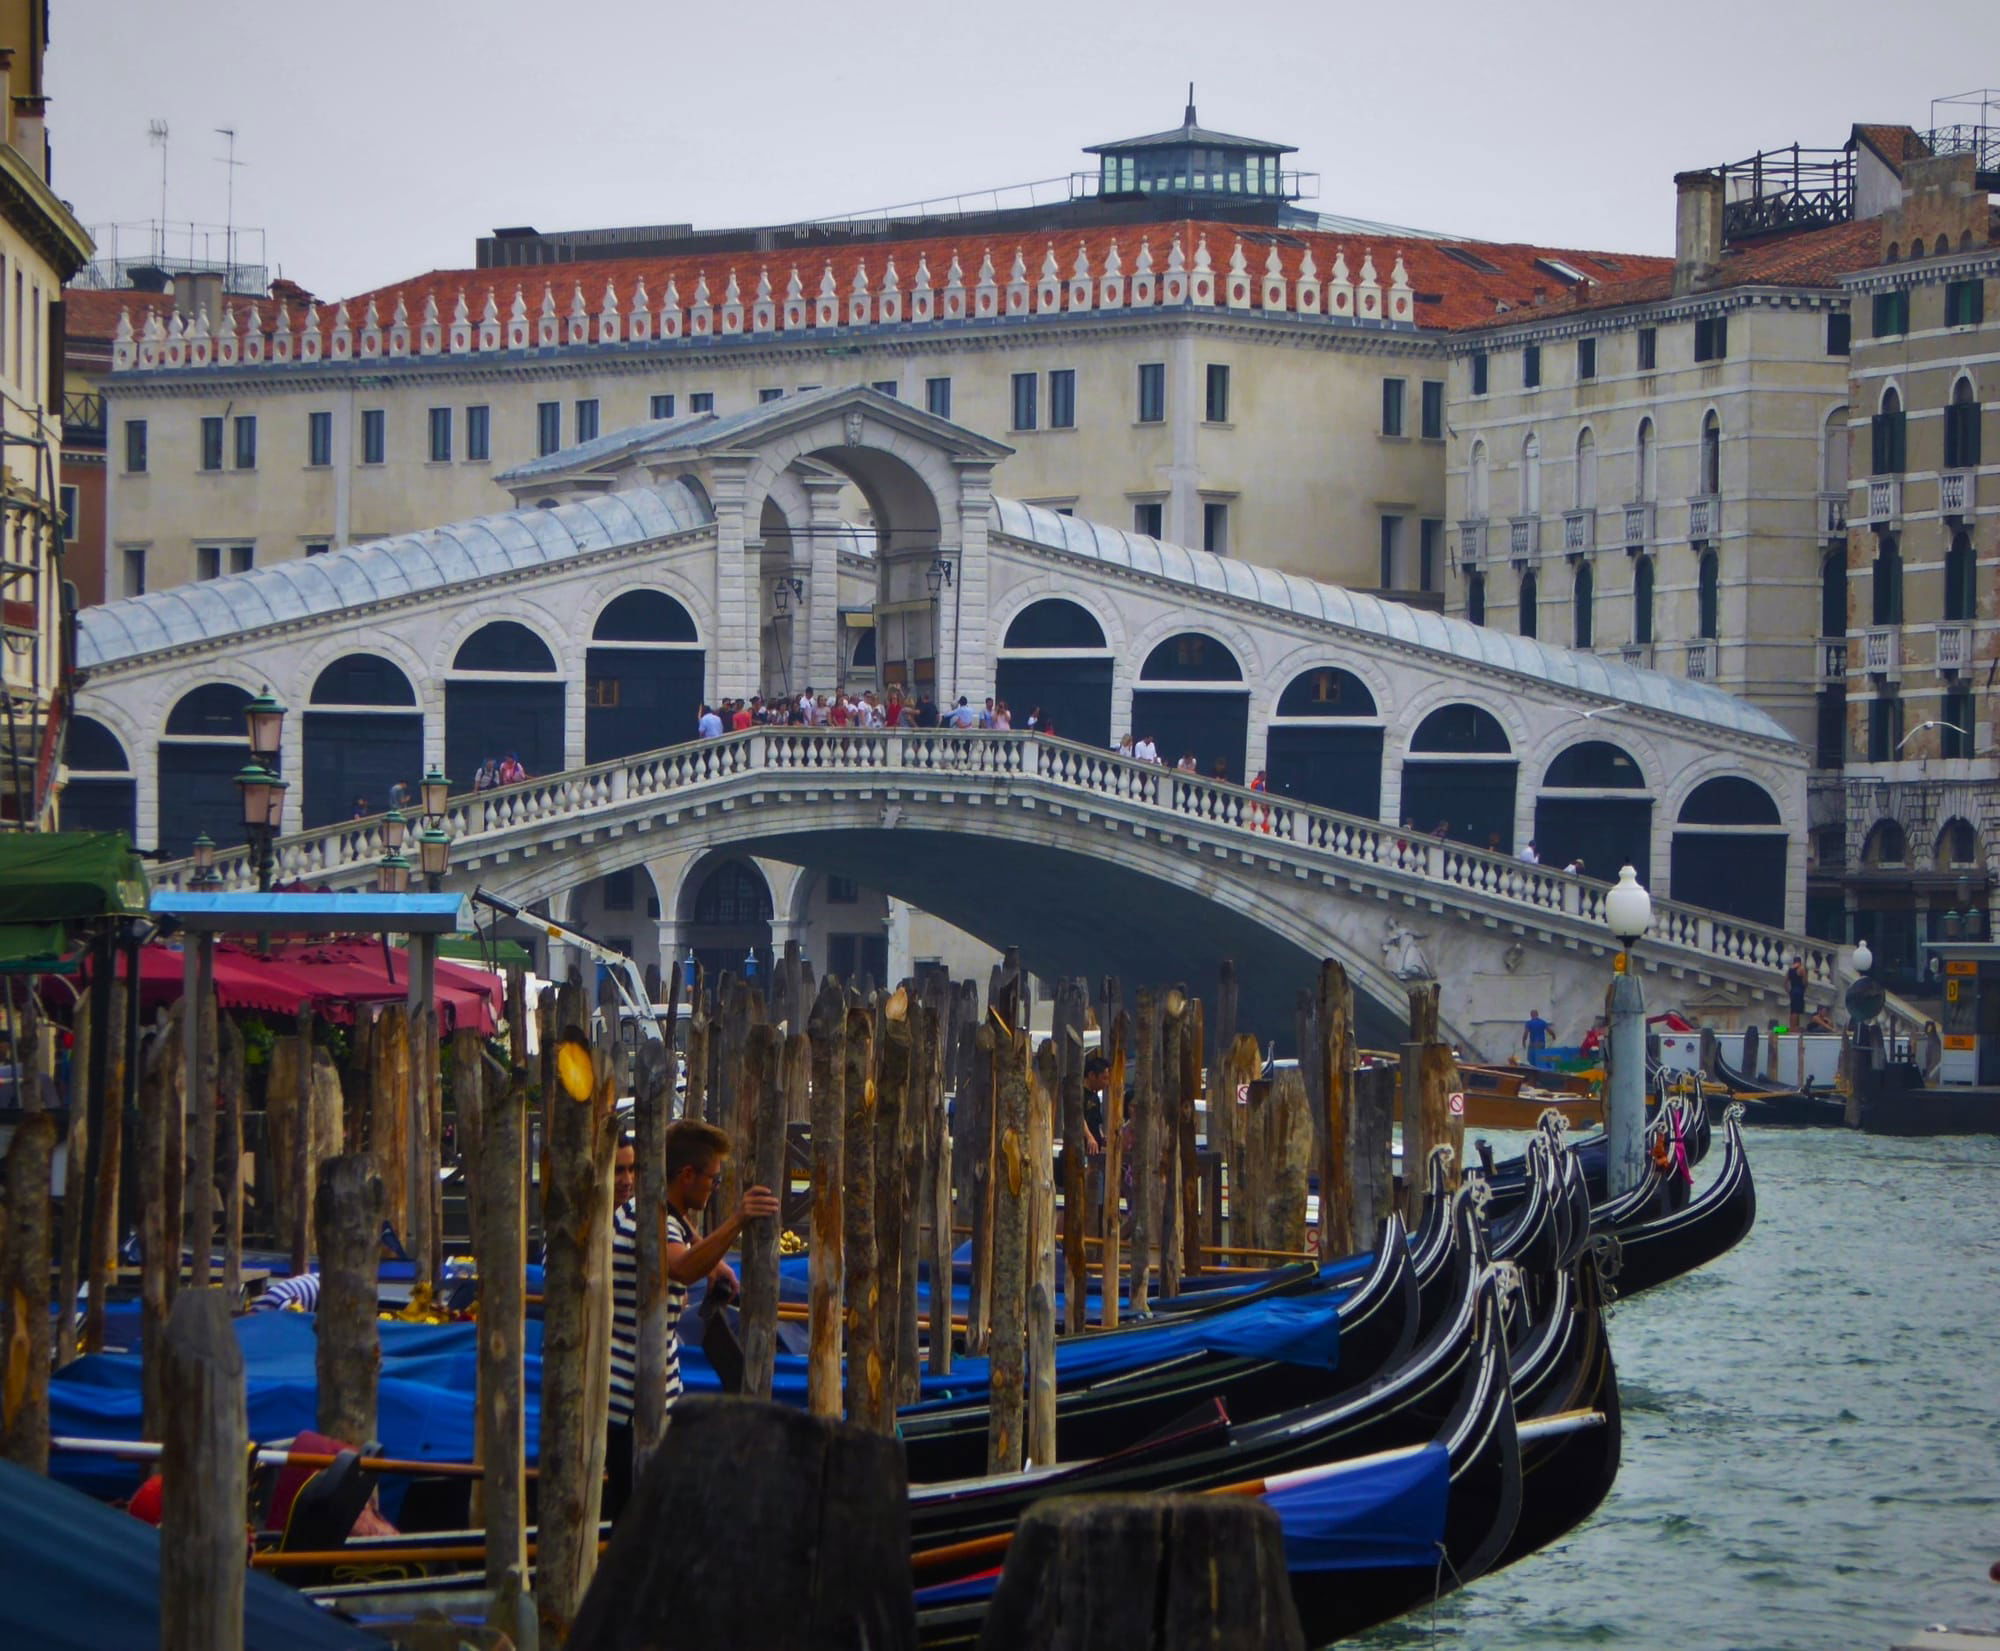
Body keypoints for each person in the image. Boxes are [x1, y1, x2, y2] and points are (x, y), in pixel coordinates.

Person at [606, 1121, 779, 1521]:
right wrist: (736, 1222)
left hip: (655, 1392)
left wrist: (715, 1262)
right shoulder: (648, 1222)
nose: (714, 1187)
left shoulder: (654, 1209)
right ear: (687, 1176)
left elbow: (683, 1237)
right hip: (633, 1399)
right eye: (713, 1180)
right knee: (639, 1517)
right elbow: (681, 1268)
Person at [1785, 956, 1808, 1023]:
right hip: (1799, 990)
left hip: (1792, 990)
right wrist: (1805, 987)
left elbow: (1785, 983)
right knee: (1797, 1010)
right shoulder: (1801, 968)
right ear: (1800, 962)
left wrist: (1788, 991)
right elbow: (1804, 981)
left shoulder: (1790, 970)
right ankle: (1794, 1027)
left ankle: (1792, 1026)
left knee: (1792, 1010)